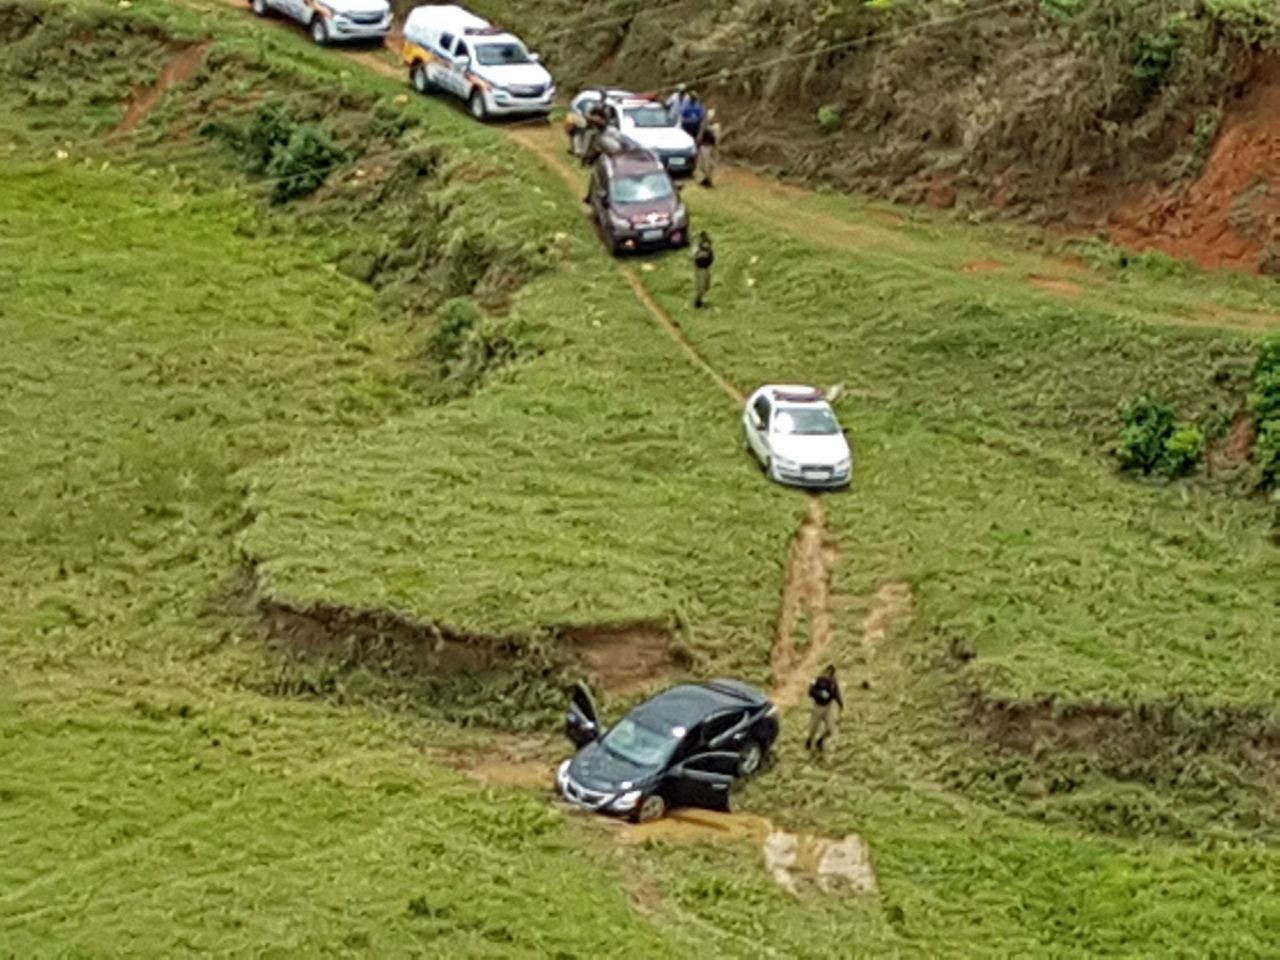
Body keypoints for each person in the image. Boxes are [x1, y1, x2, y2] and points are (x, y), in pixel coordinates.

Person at [805, 665, 843, 753]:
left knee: (830, 729)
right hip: (818, 706)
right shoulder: (816, 680)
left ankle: (820, 740)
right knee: (813, 728)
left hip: (828, 707)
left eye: (829, 674)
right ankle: (809, 740)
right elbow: (810, 692)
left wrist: (841, 705)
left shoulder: (833, 683)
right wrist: (819, 694)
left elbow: (836, 694)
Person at [696, 109, 721, 187]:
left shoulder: (715, 126)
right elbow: (700, 135)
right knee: (701, 165)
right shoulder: (704, 125)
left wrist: (716, 148)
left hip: (708, 147)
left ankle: (709, 181)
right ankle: (705, 179)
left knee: (708, 165)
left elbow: (717, 138)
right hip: (703, 146)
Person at [693, 232, 714, 308]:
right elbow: (696, 259)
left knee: (707, 286)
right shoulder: (698, 248)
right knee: (701, 287)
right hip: (700, 269)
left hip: (706, 268)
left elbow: (711, 257)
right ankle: (698, 302)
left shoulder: (709, 248)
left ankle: (700, 300)